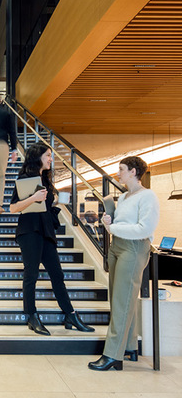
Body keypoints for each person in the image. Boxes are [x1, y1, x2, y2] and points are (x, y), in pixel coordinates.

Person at [9, 142, 95, 335]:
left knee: (57, 274)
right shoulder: (26, 178)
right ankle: (31, 315)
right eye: (48, 155)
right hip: (30, 231)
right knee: (31, 275)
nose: (51, 159)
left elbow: (44, 205)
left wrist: (57, 201)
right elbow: (13, 207)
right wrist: (33, 198)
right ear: (38, 157)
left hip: (46, 230)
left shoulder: (45, 180)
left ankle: (70, 314)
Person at [88, 156, 160, 371]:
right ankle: (129, 346)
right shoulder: (124, 196)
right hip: (118, 246)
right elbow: (120, 223)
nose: (118, 173)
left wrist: (114, 229)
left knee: (122, 301)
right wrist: (108, 221)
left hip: (134, 247)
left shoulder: (148, 197)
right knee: (121, 299)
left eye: (121, 169)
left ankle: (112, 354)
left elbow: (145, 229)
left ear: (134, 172)